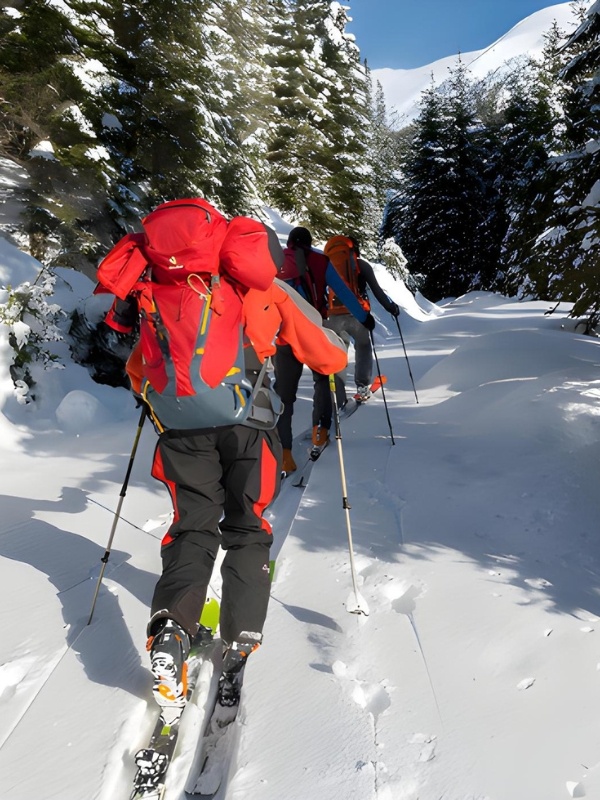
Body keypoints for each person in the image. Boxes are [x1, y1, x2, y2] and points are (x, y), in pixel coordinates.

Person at [101, 213, 347, 711]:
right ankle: (237, 646)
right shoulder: (262, 288)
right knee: (248, 528)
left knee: (192, 528)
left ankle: (171, 631)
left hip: (179, 430)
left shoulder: (160, 284)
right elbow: (327, 358)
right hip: (248, 430)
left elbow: (138, 368)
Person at [275, 226, 373, 472]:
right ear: (309, 243)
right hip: (314, 333)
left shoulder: (277, 264)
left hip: (285, 337)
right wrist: (363, 318)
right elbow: (345, 293)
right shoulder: (321, 261)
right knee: (323, 381)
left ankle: (284, 452)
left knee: (284, 396)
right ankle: (321, 431)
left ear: (290, 245)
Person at [324, 234, 399, 405]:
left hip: (333, 316)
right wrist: (391, 308)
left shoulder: (329, 265)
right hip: (357, 315)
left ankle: (338, 395)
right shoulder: (361, 265)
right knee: (363, 346)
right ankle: (362, 387)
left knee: (340, 352)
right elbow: (378, 292)